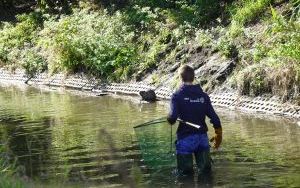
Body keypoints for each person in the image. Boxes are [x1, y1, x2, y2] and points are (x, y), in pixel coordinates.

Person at [167, 65, 222, 175]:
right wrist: (218, 133)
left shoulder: (177, 96)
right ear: (193, 78)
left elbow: (172, 118)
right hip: (202, 139)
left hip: (185, 139)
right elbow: (215, 118)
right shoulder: (203, 96)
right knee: (206, 174)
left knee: (185, 175)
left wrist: (169, 118)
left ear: (180, 78)